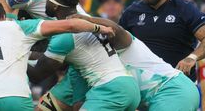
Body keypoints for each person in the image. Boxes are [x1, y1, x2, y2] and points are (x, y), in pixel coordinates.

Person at [28, 0, 140, 111]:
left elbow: (37, 75)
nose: (44, 2)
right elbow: (60, 60)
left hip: (110, 90)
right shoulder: (89, 22)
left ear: (55, 6)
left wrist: (13, 55)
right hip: (128, 86)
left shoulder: (65, 36)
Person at [61, 13, 200, 111]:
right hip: (163, 97)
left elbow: (116, 29)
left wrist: (88, 19)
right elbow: (79, 105)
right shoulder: (87, 67)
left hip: (172, 90)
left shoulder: (122, 42)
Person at [119, 0, 205, 81]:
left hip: (178, 82)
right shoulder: (131, 12)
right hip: (143, 85)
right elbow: (117, 44)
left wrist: (191, 57)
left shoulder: (185, 8)